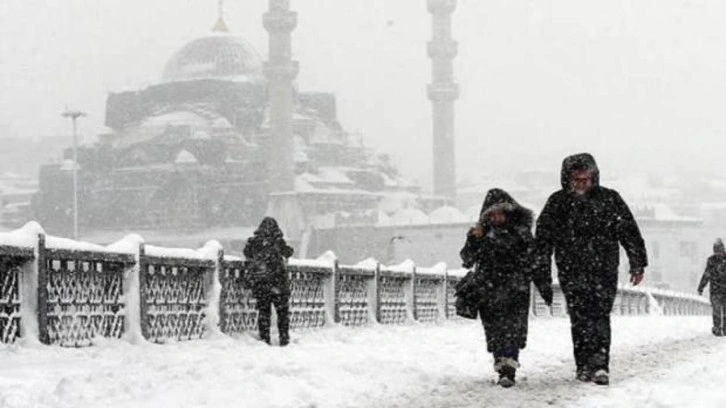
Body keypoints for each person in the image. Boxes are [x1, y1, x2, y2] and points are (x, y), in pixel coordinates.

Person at [535, 153, 648, 386]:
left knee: (599, 315)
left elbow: (629, 231)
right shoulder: (557, 203)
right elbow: (542, 242)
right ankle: (583, 365)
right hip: (571, 270)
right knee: (579, 317)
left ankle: (599, 365)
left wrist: (637, 263)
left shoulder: (609, 199)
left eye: (586, 179)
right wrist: (542, 275)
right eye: (577, 180)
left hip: (603, 269)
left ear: (594, 178)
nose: (581, 184)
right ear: (568, 179)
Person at [460, 188, 553, 388]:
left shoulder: (521, 233)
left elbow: (535, 261)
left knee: (513, 328)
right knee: (494, 330)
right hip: (489, 290)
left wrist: (543, 285)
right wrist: (474, 239)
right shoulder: (482, 234)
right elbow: (467, 260)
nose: (496, 218)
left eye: (500, 213)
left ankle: (508, 367)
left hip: (515, 290)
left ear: (509, 212)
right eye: (492, 214)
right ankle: (501, 364)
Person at [243, 217, 294, 346]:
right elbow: (288, 252)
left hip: (261, 283)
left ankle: (265, 338)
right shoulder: (277, 241)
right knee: (282, 313)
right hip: (278, 282)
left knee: (264, 312)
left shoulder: (255, 242)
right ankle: (284, 338)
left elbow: (247, 253)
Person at [698, 238, 726, 337]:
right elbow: (706, 275)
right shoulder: (711, 261)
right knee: (716, 310)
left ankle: (724, 328)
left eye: (720, 250)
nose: (718, 253)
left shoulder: (713, 261)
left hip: (719, 289)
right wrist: (701, 286)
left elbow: (707, 274)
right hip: (715, 290)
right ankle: (717, 328)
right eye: (716, 251)